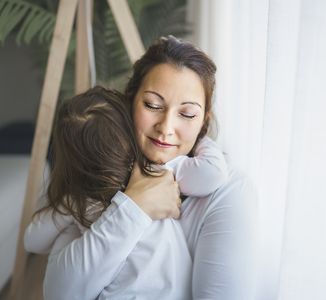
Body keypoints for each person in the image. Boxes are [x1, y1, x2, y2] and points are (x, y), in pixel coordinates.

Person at [41, 36, 258, 299]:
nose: (166, 128)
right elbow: (58, 292)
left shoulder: (230, 191)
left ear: (203, 122)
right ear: (129, 102)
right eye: (153, 105)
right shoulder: (97, 170)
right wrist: (134, 206)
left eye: (187, 114)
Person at [24, 86, 230, 299]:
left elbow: (32, 241)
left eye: (186, 114)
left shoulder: (79, 203)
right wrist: (199, 134)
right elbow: (213, 173)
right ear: (130, 135)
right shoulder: (155, 172)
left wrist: (68, 207)